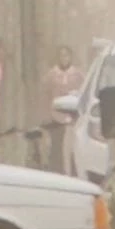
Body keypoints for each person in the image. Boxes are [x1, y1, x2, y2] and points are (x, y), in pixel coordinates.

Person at [41, 45, 84, 173]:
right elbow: (45, 95)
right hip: (55, 117)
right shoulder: (51, 75)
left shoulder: (78, 75)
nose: (64, 58)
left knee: (71, 149)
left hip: (72, 118)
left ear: (70, 57)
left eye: (66, 55)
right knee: (57, 149)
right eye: (61, 55)